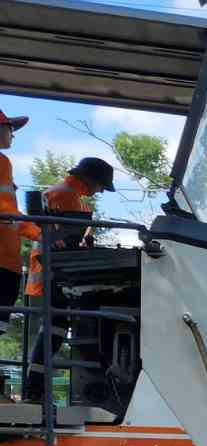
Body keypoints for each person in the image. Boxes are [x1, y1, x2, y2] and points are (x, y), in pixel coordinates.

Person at [20, 157, 113, 402]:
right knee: (52, 332)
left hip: (53, 274)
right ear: (89, 179)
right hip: (54, 274)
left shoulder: (66, 195)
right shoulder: (65, 195)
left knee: (55, 332)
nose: (101, 190)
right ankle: (34, 390)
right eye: (101, 185)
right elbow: (63, 240)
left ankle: (35, 388)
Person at [0, 110, 26, 400]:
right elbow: (7, 210)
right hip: (3, 261)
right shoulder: (1, 162)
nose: (12, 134)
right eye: (10, 128)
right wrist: (39, 232)